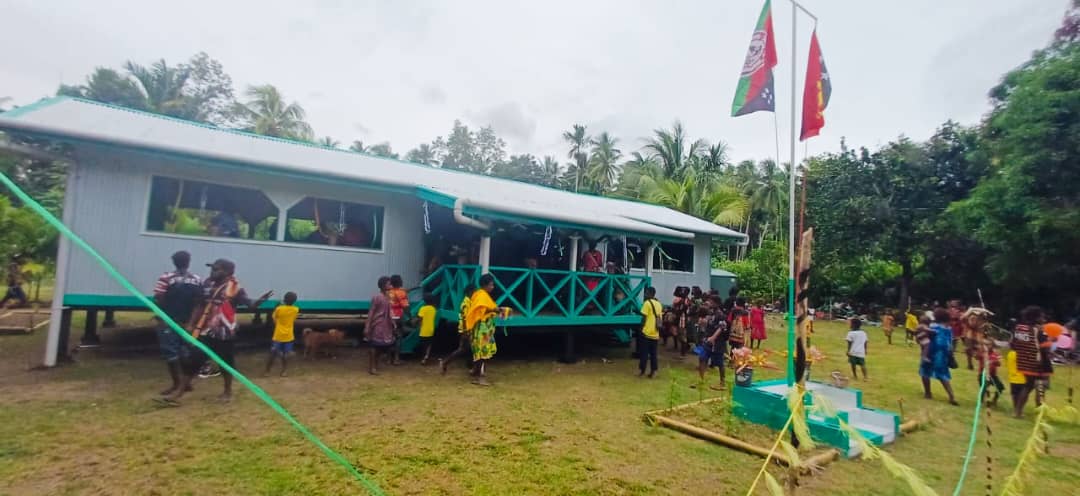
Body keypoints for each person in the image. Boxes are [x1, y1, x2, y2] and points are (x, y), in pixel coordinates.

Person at [162, 258, 272, 405]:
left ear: (227, 272)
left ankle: (227, 391)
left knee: (226, 362)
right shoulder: (207, 284)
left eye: (216, 269)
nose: (212, 272)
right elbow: (199, 305)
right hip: (206, 330)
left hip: (224, 332)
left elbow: (248, 304)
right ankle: (180, 392)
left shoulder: (234, 288)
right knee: (195, 359)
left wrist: (258, 302)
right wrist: (191, 324)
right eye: (212, 269)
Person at [152, 251, 203, 396]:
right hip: (187, 322)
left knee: (171, 353)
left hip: (168, 321)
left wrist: (162, 317)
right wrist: (191, 323)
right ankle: (186, 383)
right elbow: (199, 303)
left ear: (174, 262)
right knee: (185, 352)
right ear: (189, 262)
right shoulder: (197, 279)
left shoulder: (166, 277)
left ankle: (177, 384)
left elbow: (159, 298)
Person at [1011, 306, 1053, 418]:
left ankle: (1017, 412)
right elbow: (1045, 348)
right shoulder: (1038, 332)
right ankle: (1039, 413)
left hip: (1024, 363)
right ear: (1036, 318)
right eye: (1041, 316)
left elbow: (1013, 345)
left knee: (1028, 386)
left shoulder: (1019, 329)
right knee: (1041, 386)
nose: (1043, 318)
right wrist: (1051, 341)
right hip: (1039, 364)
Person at [465, 274, 503, 386]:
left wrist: (495, 310)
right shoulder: (481, 295)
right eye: (491, 285)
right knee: (482, 352)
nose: (493, 287)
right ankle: (479, 377)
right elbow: (481, 311)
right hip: (482, 328)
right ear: (485, 285)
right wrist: (494, 310)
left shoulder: (481, 294)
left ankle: (476, 372)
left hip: (484, 328)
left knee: (481, 352)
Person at [919, 308, 958, 405]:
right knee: (943, 374)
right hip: (942, 353)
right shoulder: (948, 329)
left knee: (925, 371)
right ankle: (951, 395)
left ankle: (928, 393)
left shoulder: (932, 326)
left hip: (931, 350)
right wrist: (951, 355)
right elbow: (950, 343)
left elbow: (923, 335)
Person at [694, 296, 729, 390]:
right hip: (707, 341)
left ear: (716, 303)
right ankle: (701, 381)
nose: (709, 303)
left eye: (711, 302)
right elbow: (709, 324)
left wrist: (713, 337)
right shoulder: (710, 313)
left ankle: (722, 382)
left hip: (717, 343)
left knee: (719, 363)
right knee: (702, 358)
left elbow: (722, 327)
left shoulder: (720, 314)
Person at [365, 277, 396, 375]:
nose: (390, 285)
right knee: (374, 346)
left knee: (381, 346)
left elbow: (389, 311)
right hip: (377, 324)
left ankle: (375, 366)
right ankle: (372, 368)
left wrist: (393, 322)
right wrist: (367, 326)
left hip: (386, 326)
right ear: (383, 286)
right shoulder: (377, 297)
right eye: (388, 284)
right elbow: (371, 312)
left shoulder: (388, 297)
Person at [264, 291, 299, 377]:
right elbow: (293, 318)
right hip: (289, 336)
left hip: (278, 335)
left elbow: (274, 317)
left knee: (273, 354)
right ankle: (284, 371)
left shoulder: (279, 309)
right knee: (286, 355)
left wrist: (277, 306)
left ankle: (267, 371)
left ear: (284, 299)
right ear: (294, 301)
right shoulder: (296, 309)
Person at [439, 290, 473, 375]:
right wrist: (466, 331)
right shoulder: (466, 304)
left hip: (467, 329)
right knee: (463, 349)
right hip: (465, 330)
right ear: (470, 292)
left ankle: (471, 367)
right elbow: (465, 318)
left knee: (468, 349)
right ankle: (445, 363)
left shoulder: (469, 302)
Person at [638, 286, 662, 378]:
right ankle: (653, 371)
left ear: (649, 293)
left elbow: (644, 318)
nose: (645, 294)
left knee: (644, 353)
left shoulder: (646, 303)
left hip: (646, 332)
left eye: (646, 292)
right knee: (653, 354)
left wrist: (641, 328)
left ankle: (642, 370)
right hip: (655, 333)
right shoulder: (659, 304)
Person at [388, 275, 410, 365]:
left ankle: (389, 358)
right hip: (398, 317)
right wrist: (410, 316)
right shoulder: (401, 293)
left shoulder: (389, 292)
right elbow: (405, 306)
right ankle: (396, 359)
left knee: (389, 336)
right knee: (398, 337)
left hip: (389, 316)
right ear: (400, 282)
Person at [416, 293, 438, 365]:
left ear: (425, 301)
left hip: (423, 330)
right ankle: (427, 356)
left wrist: (417, 325)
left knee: (423, 345)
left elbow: (420, 319)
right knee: (429, 344)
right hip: (431, 329)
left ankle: (423, 359)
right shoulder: (433, 309)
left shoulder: (422, 309)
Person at [1005, 347, 1027, 412]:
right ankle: (1019, 409)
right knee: (1021, 395)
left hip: (1013, 378)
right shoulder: (1022, 354)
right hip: (1022, 378)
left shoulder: (1010, 354)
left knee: (1015, 395)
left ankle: (1015, 409)